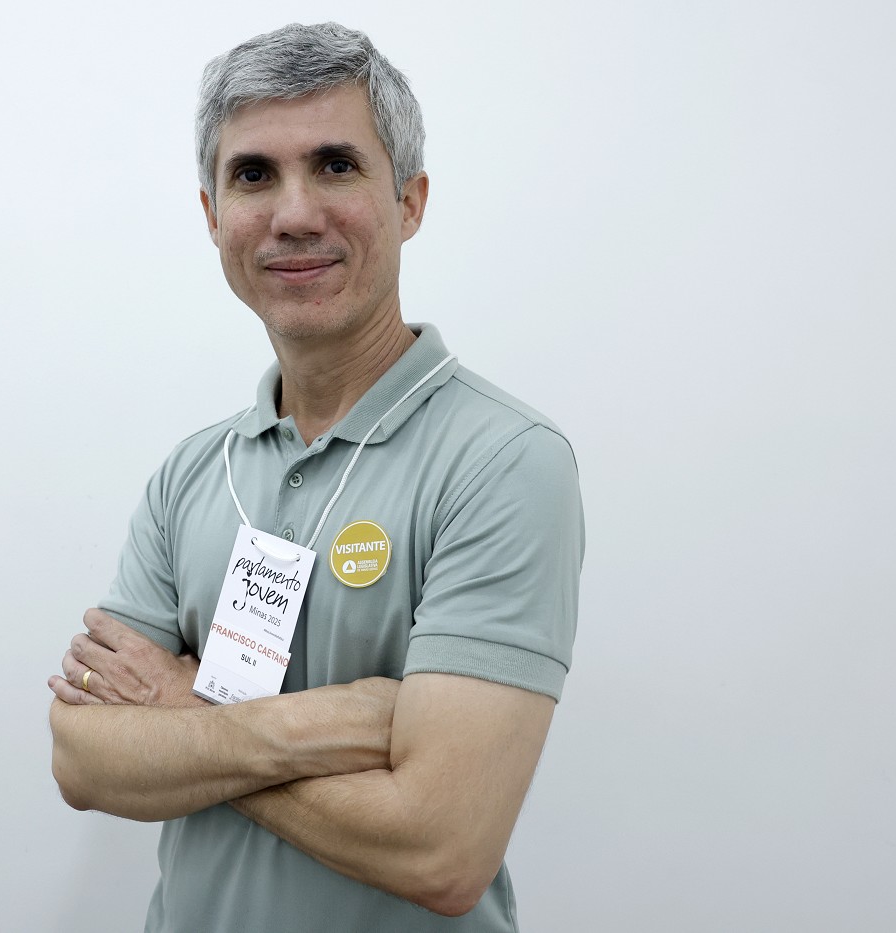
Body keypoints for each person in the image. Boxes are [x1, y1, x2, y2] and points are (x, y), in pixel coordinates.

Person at [47, 22, 584, 932]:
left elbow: (442, 848)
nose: (294, 213)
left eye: (335, 165)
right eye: (254, 174)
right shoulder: (192, 473)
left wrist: (180, 712)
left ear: (409, 200)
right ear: (213, 215)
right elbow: (81, 760)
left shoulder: (503, 460)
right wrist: (320, 724)